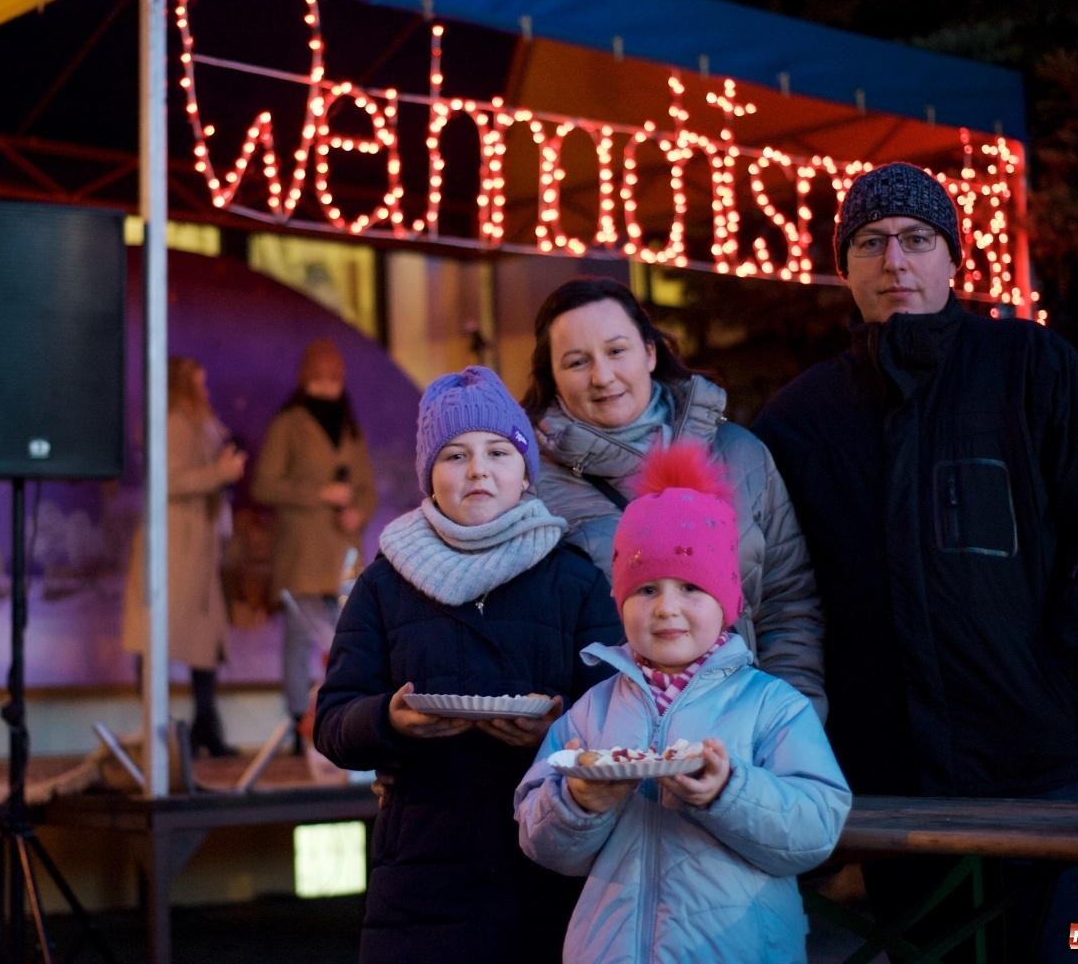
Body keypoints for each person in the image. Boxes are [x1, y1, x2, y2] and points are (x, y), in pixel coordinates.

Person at [751, 162, 1078, 961]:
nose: (894, 261)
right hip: (890, 772)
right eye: (869, 243)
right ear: (844, 269)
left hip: (1035, 761)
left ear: (953, 260)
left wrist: (1069, 672)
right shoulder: (801, 418)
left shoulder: (1029, 367)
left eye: (916, 239)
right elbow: (767, 579)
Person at [313, 366, 624, 964]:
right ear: (429, 476)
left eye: (498, 452)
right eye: (454, 454)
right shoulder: (383, 584)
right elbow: (334, 721)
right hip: (421, 874)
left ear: (526, 470)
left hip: (550, 865)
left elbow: (619, 719)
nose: (477, 469)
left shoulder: (576, 579)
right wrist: (390, 721)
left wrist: (555, 734)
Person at [515, 442, 850, 964]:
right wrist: (580, 803)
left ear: (729, 602)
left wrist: (729, 792)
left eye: (691, 586)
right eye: (645, 589)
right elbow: (542, 845)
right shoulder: (592, 711)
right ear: (619, 602)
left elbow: (815, 831)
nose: (667, 607)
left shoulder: (773, 707)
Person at [522, 277, 826, 718]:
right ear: (551, 376)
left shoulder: (741, 454)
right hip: (608, 749)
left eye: (616, 350)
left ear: (650, 352)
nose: (602, 376)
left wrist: (786, 724)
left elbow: (787, 606)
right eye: (576, 361)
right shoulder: (529, 486)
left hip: (741, 737)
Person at [252, 339, 377, 753]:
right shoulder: (287, 424)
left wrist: (358, 510)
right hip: (302, 555)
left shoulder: (349, 427)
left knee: (347, 639)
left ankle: (339, 720)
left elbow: (366, 488)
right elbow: (264, 485)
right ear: (305, 380)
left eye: (334, 380)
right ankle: (294, 723)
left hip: (342, 556)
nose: (327, 389)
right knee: (300, 640)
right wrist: (320, 493)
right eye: (319, 380)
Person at [123, 357, 246, 757]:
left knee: (204, 635)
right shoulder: (175, 422)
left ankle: (204, 724)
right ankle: (158, 728)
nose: (205, 390)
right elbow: (168, 481)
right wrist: (220, 472)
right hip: (174, 543)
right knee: (158, 631)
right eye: (199, 383)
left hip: (196, 542)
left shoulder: (198, 421)